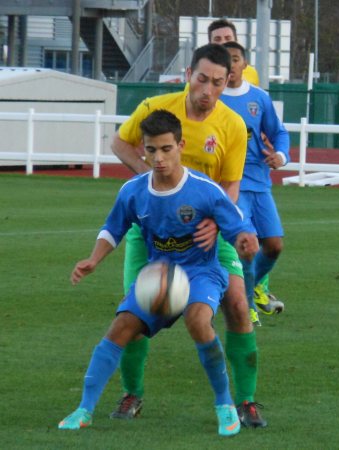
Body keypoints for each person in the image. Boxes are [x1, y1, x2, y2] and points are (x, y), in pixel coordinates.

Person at [58, 110, 259, 436]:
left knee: (198, 320)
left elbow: (236, 223)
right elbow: (113, 228)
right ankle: (84, 409)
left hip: (202, 271)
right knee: (121, 326)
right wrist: (94, 259)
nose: (159, 158)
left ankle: (224, 404)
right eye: (151, 150)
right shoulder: (133, 191)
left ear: (180, 145)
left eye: (166, 149)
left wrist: (245, 240)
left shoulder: (204, 189)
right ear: (144, 150)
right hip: (160, 275)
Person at [110, 44, 267, 428]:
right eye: (202, 79)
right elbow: (119, 143)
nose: (207, 90)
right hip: (151, 231)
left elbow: (231, 184)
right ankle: (132, 394)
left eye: (218, 82)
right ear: (187, 74)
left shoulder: (232, 125)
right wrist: (147, 180)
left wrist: (218, 222)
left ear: (228, 81)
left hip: (206, 234)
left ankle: (245, 401)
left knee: (238, 304)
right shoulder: (155, 108)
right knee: (136, 308)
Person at [208, 18, 284, 316]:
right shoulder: (206, 90)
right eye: (218, 41)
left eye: (231, 45)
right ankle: (244, 306)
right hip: (226, 181)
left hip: (258, 180)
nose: (228, 55)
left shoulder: (256, 93)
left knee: (273, 245)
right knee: (242, 245)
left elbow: (277, 131)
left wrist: (280, 155)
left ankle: (255, 286)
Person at [207, 18, 260, 87]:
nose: (223, 42)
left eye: (228, 38)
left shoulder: (250, 73)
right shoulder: (200, 70)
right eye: (217, 39)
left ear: (235, 41)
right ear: (210, 44)